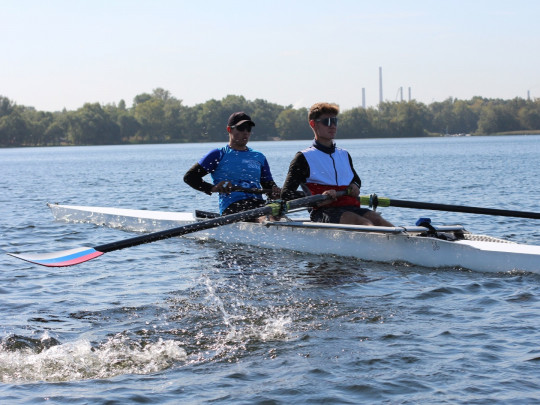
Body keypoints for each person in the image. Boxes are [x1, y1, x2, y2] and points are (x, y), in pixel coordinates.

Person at [281, 102, 394, 226]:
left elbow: (356, 180)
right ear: (313, 124)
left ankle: (400, 241)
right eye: (327, 122)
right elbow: (286, 194)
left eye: (335, 121)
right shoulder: (303, 157)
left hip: (350, 207)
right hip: (323, 212)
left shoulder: (344, 154)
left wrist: (355, 185)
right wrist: (318, 198)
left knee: (377, 219)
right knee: (362, 222)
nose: (333, 126)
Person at [184, 111, 281, 218]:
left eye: (248, 129)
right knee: (265, 216)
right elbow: (190, 177)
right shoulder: (218, 154)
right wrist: (214, 188)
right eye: (241, 128)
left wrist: (275, 193)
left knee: (277, 214)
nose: (245, 132)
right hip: (232, 207)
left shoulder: (259, 157)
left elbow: (269, 186)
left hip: (258, 204)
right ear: (229, 129)